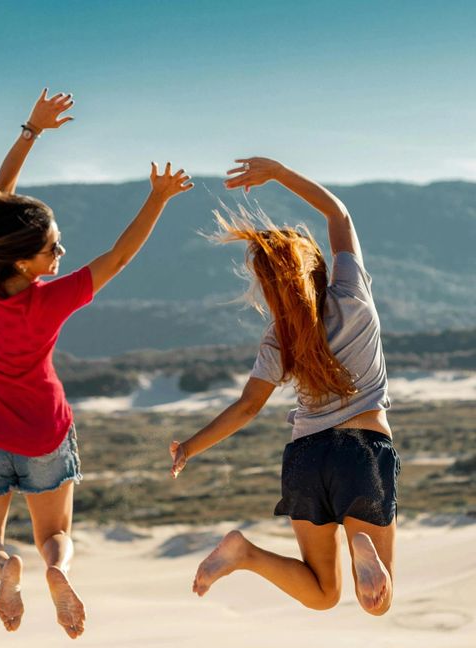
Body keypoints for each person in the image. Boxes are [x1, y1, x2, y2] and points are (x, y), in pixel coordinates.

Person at [0, 89, 192, 638]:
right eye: (53, 249)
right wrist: (158, 199)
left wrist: (31, 130)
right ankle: (56, 571)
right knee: (56, 535)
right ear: (24, 259)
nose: (61, 256)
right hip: (46, 435)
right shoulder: (52, 298)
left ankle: (6, 569)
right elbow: (119, 256)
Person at [170, 156, 399, 617]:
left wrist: (190, 448)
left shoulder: (279, 337)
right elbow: (338, 215)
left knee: (322, 594)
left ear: (270, 289)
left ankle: (245, 553)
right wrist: (278, 173)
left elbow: (247, 407)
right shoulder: (351, 293)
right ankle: (361, 542)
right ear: (315, 265)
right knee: (376, 604)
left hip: (305, 459)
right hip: (363, 452)